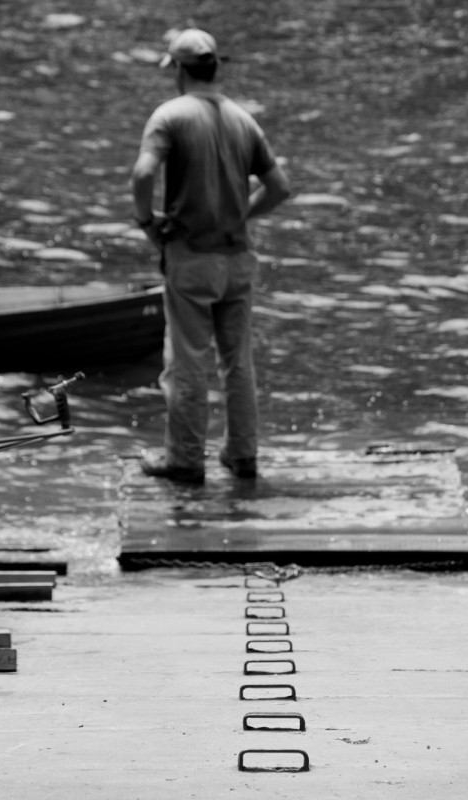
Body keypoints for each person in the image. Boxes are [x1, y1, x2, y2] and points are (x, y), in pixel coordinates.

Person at [131, 28, 290, 485]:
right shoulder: (244, 120)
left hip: (192, 258)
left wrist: (148, 223)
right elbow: (279, 188)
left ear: (179, 70)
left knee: (186, 362)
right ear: (217, 66)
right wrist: (243, 213)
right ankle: (242, 456)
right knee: (238, 362)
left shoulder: (170, 116)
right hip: (239, 260)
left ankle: (183, 459)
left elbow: (143, 173)